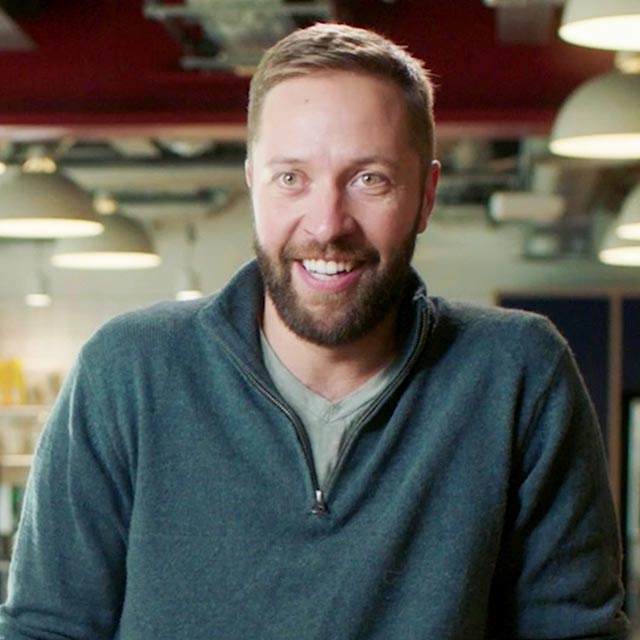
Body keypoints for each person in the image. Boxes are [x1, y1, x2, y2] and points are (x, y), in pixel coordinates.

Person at [0, 22, 629, 640]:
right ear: (253, 183)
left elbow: (577, 632)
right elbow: (47, 629)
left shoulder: (517, 372)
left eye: (369, 179)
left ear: (426, 195)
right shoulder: (129, 370)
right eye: (291, 177)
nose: (327, 224)